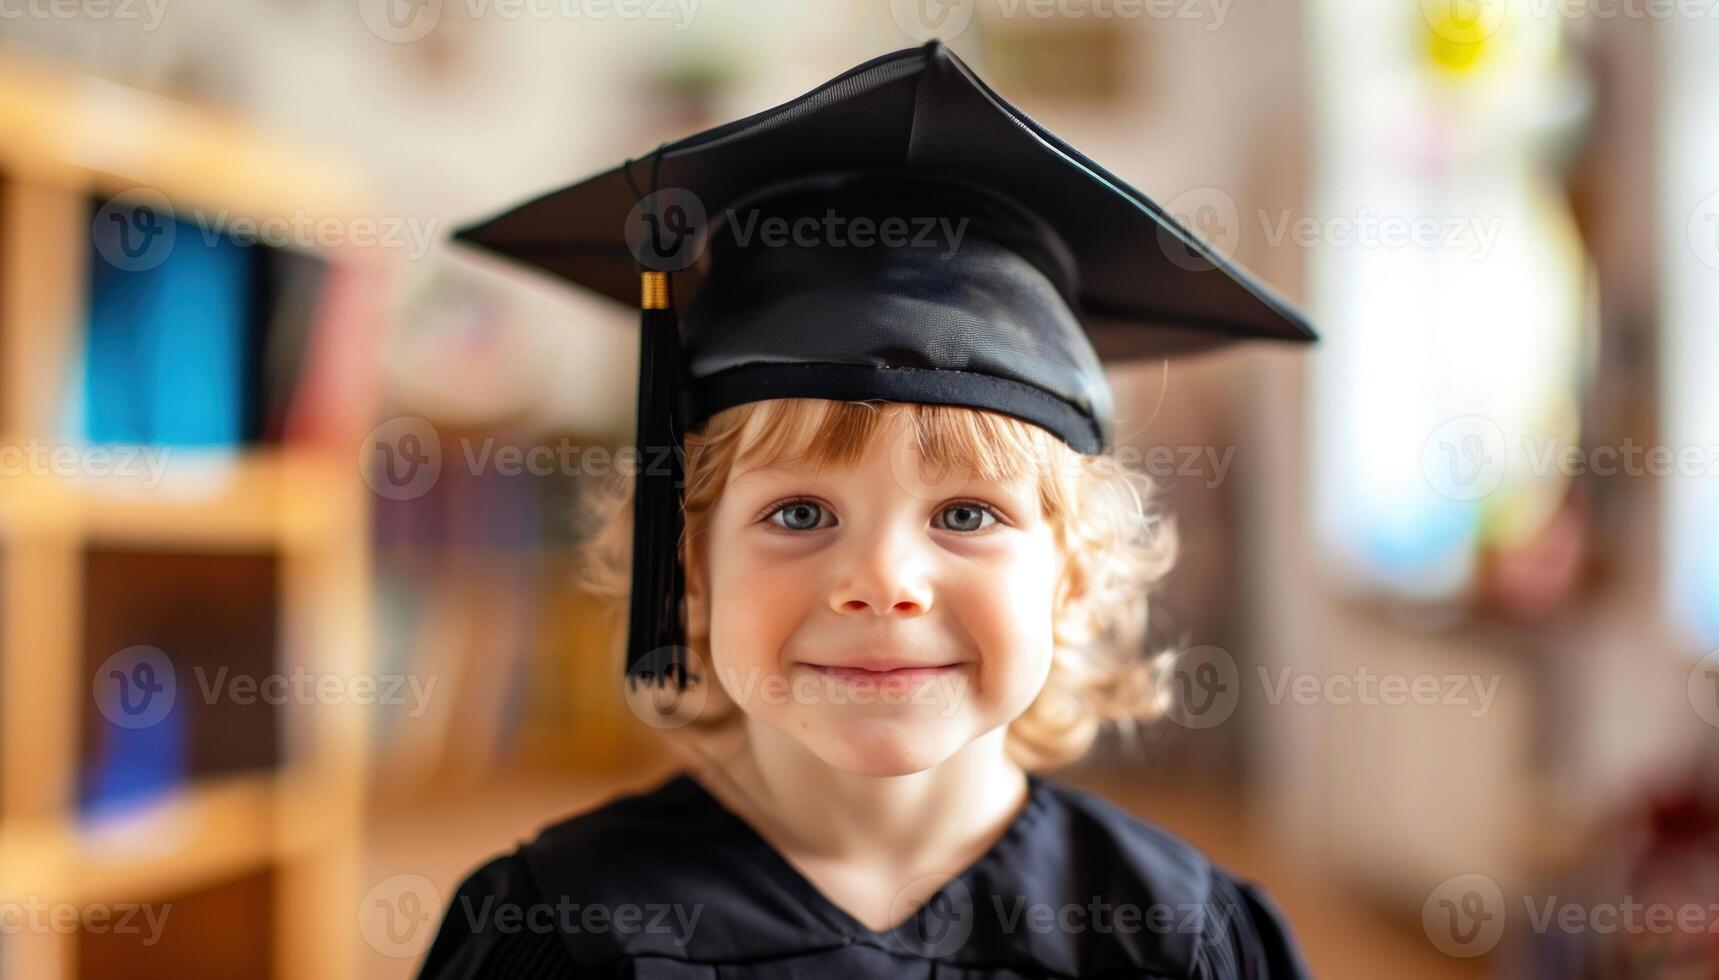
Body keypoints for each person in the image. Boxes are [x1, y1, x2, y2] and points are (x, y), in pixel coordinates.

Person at [419, 40, 1317, 979]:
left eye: (966, 515)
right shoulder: (557, 931)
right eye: (801, 513)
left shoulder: (1178, 939)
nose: (883, 583)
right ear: (688, 562)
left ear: (1076, 575)